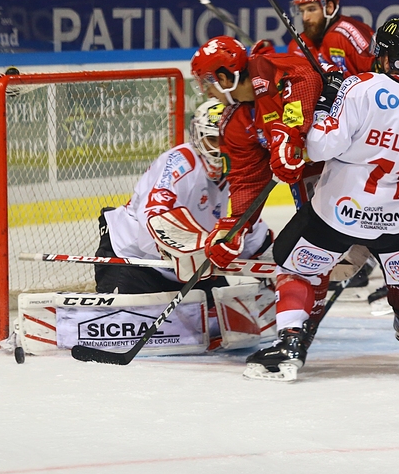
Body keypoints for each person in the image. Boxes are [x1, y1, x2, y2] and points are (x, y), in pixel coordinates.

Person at [240, 18, 399, 383]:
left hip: (339, 213)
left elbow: (320, 147)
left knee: (296, 270)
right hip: (398, 217)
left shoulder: (362, 86)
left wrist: (324, 105)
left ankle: (290, 343)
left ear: (386, 58)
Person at [190, 34, 330, 350]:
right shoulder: (237, 121)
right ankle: (307, 321)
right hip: (314, 178)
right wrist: (234, 227)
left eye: (208, 82)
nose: (208, 92)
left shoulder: (269, 68)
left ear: (224, 76)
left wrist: (290, 134)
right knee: (307, 251)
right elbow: (247, 180)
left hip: (359, 166)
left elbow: (305, 77)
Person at [95, 100, 272, 315]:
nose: (221, 149)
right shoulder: (181, 161)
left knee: (227, 322)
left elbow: (247, 231)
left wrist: (281, 269)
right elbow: (154, 215)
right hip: (135, 261)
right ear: (197, 136)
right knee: (124, 323)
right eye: (213, 139)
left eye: (228, 140)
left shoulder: (241, 172)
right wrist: (199, 248)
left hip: (193, 270)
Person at [288, 0, 375, 77]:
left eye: (311, 9)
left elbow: (379, 73)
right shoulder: (299, 45)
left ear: (329, 7)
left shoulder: (345, 35)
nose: (305, 18)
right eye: (302, 11)